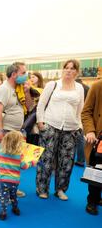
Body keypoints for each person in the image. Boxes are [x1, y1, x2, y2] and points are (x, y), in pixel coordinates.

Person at [36, 59, 84, 201]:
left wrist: (79, 126)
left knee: (66, 161)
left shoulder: (79, 88)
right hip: (50, 125)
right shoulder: (53, 85)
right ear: (62, 69)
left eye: (72, 68)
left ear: (76, 71)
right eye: (66, 68)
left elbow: (80, 109)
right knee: (46, 159)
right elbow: (41, 104)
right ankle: (42, 189)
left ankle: (60, 189)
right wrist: (40, 123)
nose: (69, 70)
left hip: (71, 128)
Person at [0, 62, 30, 200]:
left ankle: (13, 188)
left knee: (14, 162)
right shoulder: (4, 89)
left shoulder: (19, 88)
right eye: (23, 72)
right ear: (14, 74)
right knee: (1, 162)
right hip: (6, 132)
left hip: (16, 132)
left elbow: (29, 106)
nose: (26, 75)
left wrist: (27, 92)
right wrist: (0, 130)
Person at [0, 131, 36, 220]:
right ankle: (15, 208)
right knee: (13, 195)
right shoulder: (20, 156)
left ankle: (3, 212)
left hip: (3, 180)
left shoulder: (1, 153)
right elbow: (24, 166)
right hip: (14, 181)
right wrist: (32, 163)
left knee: (4, 197)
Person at [80, 79, 102, 215]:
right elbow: (86, 112)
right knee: (96, 170)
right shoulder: (97, 86)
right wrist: (90, 131)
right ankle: (92, 201)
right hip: (98, 139)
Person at [75, 78, 90, 167]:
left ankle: (80, 160)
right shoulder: (87, 87)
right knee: (81, 137)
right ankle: (81, 159)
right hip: (85, 114)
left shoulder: (76, 87)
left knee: (79, 138)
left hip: (76, 113)